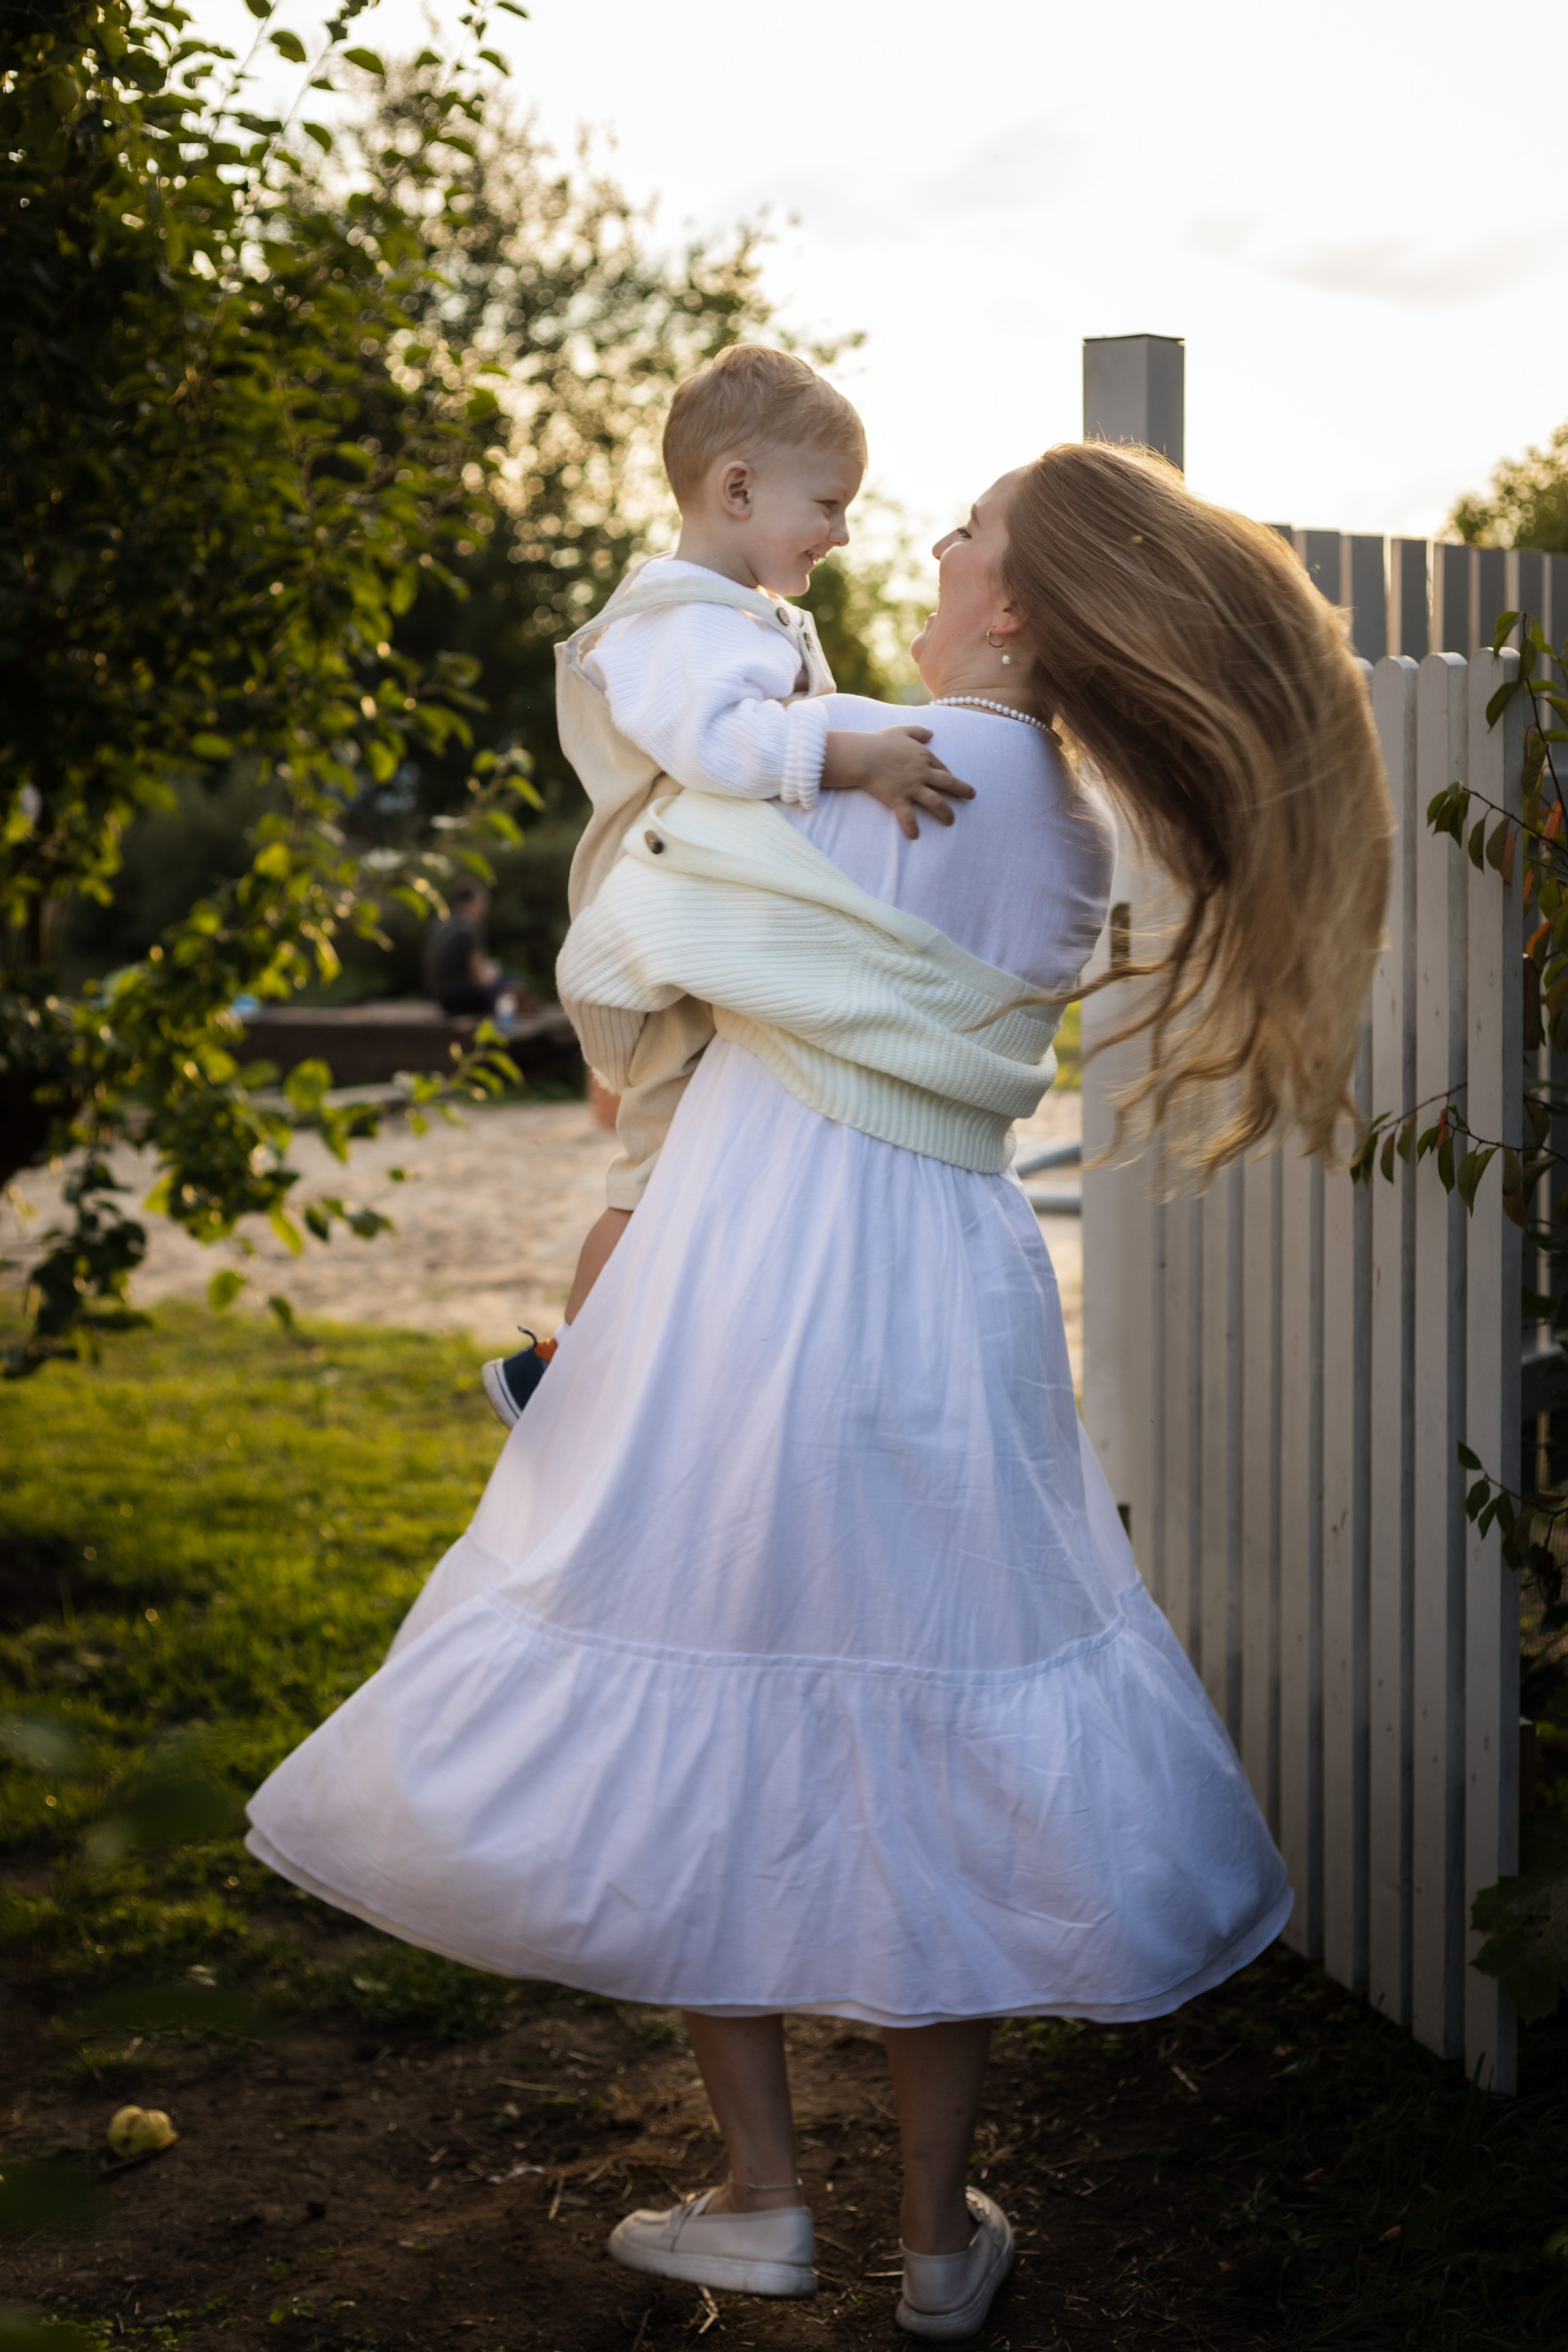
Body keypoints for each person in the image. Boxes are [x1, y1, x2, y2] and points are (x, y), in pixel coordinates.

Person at [246, 440, 1391, 2339]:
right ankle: (937, 2237)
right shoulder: (1072, 822)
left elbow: (630, 922)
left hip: (753, 1276)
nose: (928, 552)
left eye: (964, 533)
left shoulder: (876, 754)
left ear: (1012, 602)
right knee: (926, 1714)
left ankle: (763, 2191)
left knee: (708, 1667)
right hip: (942, 1293)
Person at [480, 343, 971, 1425]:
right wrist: (863, 759)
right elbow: (720, 746)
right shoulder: (674, 621)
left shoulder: (729, 612)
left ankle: (685, 1362)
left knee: (720, 1157)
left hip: (712, 922)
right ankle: (559, 1380)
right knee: (655, 1171)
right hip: (663, 927)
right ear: (737, 488)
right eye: (830, 504)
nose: (843, 533)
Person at [420, 880, 518, 1023]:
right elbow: (478, 978)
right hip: (463, 1000)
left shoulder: (440, 924)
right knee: (512, 981)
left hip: (439, 998)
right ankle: (508, 1026)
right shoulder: (469, 928)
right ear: (474, 903)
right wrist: (492, 976)